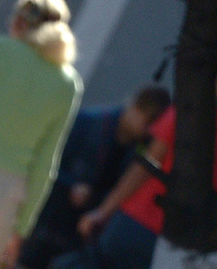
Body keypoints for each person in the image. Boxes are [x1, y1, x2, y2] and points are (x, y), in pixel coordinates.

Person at [58, 51, 217, 269]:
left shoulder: (189, 112)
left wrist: (103, 211)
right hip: (177, 239)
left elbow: (144, 167)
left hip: (134, 221)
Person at [18, 85, 171, 269]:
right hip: (47, 226)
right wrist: (72, 184)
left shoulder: (139, 149)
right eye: (147, 123)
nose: (148, 132)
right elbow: (45, 164)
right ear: (136, 108)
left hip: (76, 237)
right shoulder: (88, 123)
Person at [0, 0, 82, 269]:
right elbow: (47, 162)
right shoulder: (67, 83)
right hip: (7, 196)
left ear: (19, 21)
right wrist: (20, 231)